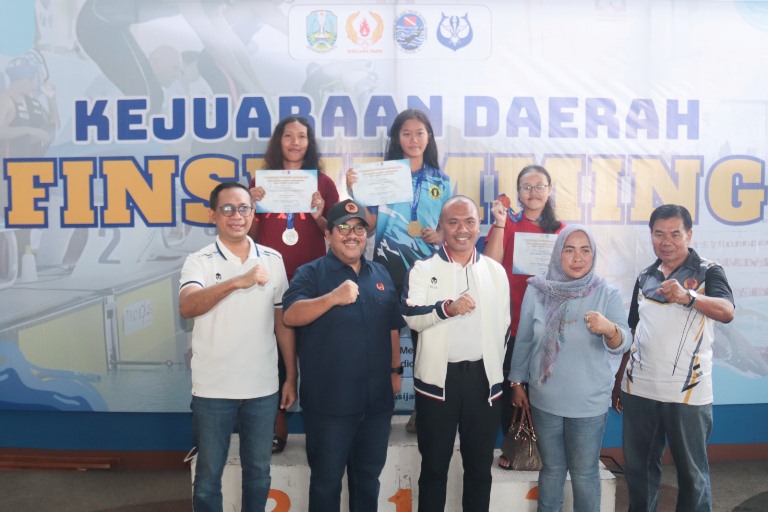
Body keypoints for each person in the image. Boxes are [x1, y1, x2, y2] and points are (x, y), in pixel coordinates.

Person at [179, 182, 297, 512]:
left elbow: (282, 323)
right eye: (227, 209)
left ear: (253, 213)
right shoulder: (198, 261)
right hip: (213, 389)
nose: (236, 215)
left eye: (243, 208)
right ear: (213, 215)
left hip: (262, 388)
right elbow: (187, 306)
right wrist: (236, 281)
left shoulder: (273, 259)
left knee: (258, 473)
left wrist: (290, 376)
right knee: (208, 478)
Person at [282, 198, 405, 512]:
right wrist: (333, 298)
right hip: (329, 406)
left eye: (359, 228)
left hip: (375, 403)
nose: (352, 235)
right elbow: (291, 315)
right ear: (328, 234)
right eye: (343, 228)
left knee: (368, 482)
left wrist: (395, 371)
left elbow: (392, 326)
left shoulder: (380, 273)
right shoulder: (311, 273)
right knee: (326, 484)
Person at [613, 204, 735, 512]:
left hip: (687, 393)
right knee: (639, 472)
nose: (666, 241)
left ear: (689, 235)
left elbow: (726, 311)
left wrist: (688, 297)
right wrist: (619, 380)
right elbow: (633, 331)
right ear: (651, 236)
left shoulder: (709, 271)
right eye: (659, 234)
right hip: (639, 389)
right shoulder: (645, 276)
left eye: (675, 234)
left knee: (692, 476)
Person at [509, 225, 630, 512]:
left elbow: (623, 343)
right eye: (569, 250)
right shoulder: (538, 290)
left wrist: (609, 328)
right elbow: (524, 339)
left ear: (593, 255)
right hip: (545, 399)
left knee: (584, 472)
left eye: (585, 250)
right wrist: (516, 382)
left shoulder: (607, 293)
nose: (578, 258)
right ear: (558, 253)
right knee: (552, 469)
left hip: (588, 403)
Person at [402, 195, 510, 512]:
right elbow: (412, 316)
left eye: (469, 222)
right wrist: (446, 309)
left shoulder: (495, 271)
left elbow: (504, 326)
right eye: (453, 222)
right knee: (434, 469)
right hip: (438, 384)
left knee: (479, 469)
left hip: (482, 382)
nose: (462, 229)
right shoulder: (423, 269)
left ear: (479, 225)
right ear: (442, 227)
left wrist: (492, 368)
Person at [347, 108, 452, 433]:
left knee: (426, 343)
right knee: (382, 342)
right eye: (406, 133)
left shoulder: (441, 181)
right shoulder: (385, 176)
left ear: (429, 137)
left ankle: (423, 409)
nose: (413, 139)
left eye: (420, 133)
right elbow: (370, 225)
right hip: (386, 269)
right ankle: (379, 406)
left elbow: (448, 226)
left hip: (426, 272)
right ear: (396, 138)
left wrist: (440, 235)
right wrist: (355, 194)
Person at [248, 115, 339, 454]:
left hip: (310, 279)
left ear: (309, 143)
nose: (295, 142)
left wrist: (318, 214)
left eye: (302, 136)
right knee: (271, 355)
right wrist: (252, 207)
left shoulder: (323, 184)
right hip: (269, 278)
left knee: (315, 354)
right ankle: (277, 424)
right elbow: (249, 236)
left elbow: (336, 234)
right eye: (289, 136)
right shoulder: (260, 182)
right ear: (279, 141)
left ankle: (319, 426)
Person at [483, 164, 564, 469]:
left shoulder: (562, 230)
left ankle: (547, 450)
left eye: (539, 186)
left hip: (550, 325)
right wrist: (499, 224)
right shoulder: (509, 224)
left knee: (547, 389)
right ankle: (515, 448)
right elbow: (490, 265)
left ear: (549, 190)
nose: (533, 193)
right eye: (526, 187)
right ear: (518, 192)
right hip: (512, 322)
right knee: (511, 389)